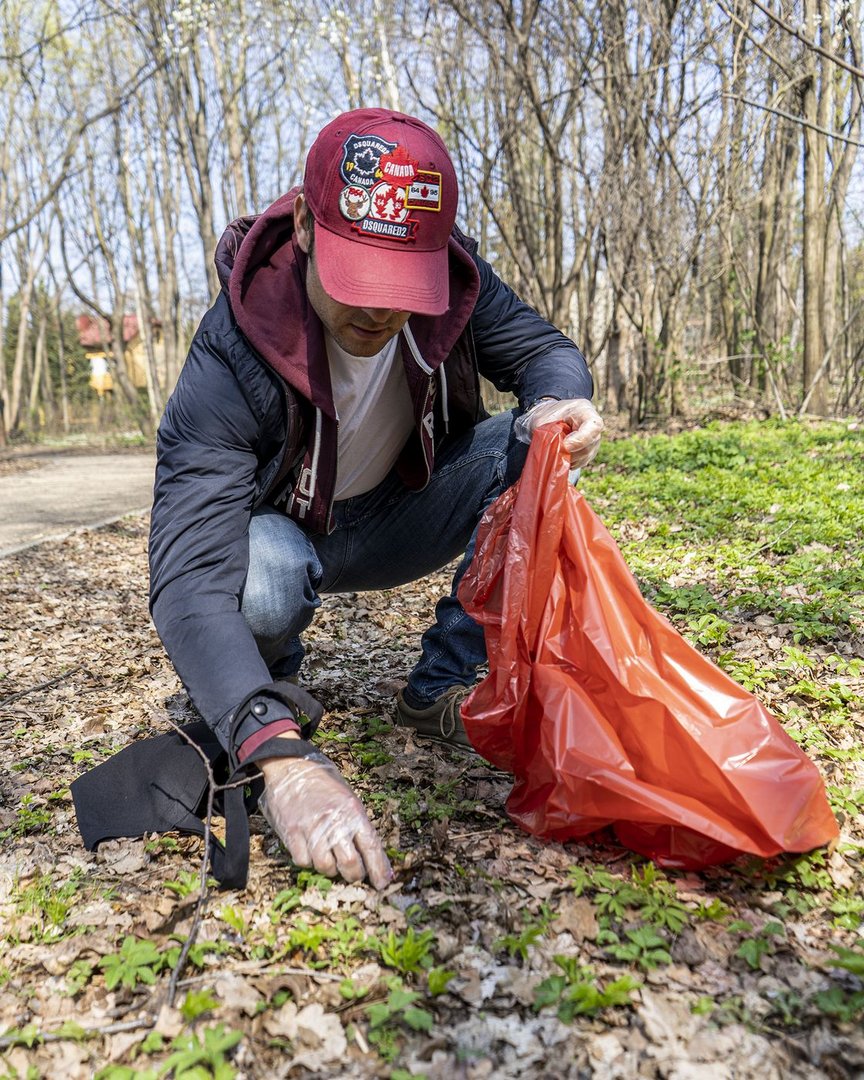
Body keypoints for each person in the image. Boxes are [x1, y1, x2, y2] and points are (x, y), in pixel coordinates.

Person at [147, 108, 603, 892]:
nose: (379, 312)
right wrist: (279, 756)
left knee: (536, 442)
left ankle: (442, 685)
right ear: (305, 227)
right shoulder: (233, 346)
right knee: (262, 576)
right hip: (287, 536)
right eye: (357, 279)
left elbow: (544, 351)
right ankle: (273, 697)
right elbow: (188, 578)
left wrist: (562, 401)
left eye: (402, 286)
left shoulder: (459, 284)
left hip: (401, 514)